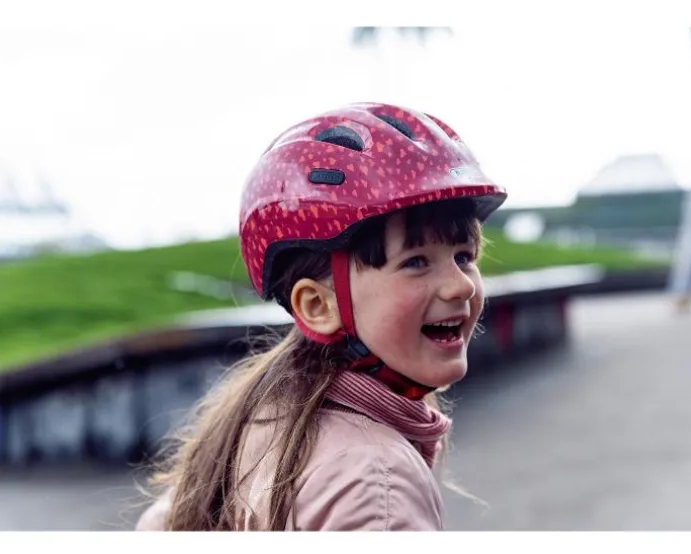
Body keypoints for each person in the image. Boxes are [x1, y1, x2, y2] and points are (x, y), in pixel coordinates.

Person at [135, 101, 507, 531]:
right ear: (317, 306)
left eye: (464, 256)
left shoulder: (265, 413)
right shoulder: (376, 486)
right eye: (416, 262)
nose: (460, 285)